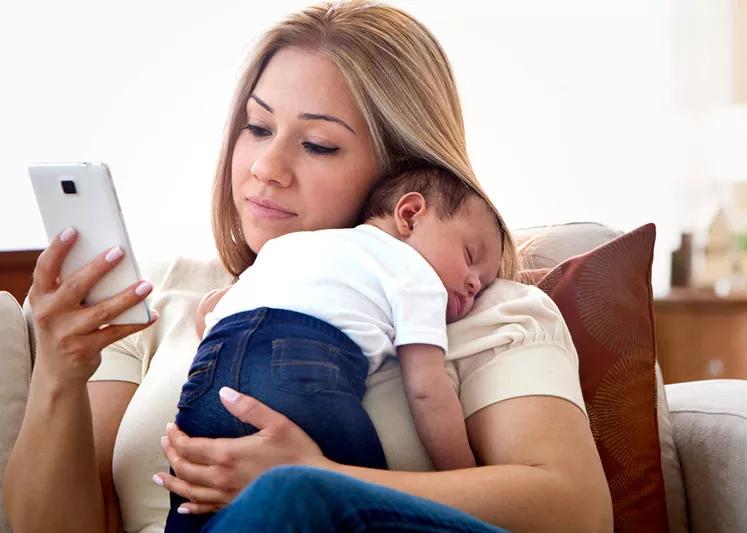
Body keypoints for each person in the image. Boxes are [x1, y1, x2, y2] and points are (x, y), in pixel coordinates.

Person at [4, 1, 613, 532]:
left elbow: (574, 512)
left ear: (402, 179)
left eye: (318, 144)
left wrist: (325, 479)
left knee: (290, 499)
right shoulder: (157, 296)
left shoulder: (478, 305)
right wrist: (59, 374)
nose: (266, 166)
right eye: (257, 126)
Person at [167, 167, 503, 531]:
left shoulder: (289, 246)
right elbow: (427, 391)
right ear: (409, 215)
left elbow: (209, 320)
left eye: (483, 285)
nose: (473, 284)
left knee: (194, 494)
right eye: (470, 256)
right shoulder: (416, 274)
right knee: (358, 498)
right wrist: (466, 479)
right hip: (303, 368)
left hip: (207, 381)